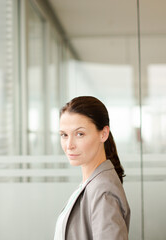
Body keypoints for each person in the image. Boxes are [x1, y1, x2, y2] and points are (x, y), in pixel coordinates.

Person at [54, 96, 130, 240]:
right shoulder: (91, 184)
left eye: (79, 134)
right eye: (64, 135)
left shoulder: (103, 191)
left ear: (104, 134)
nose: (69, 144)